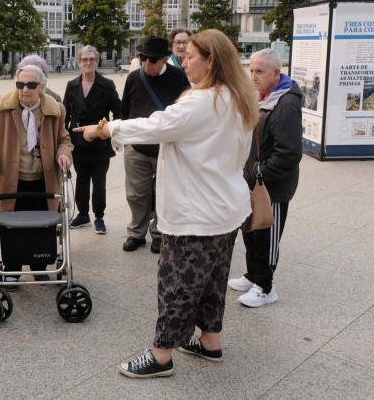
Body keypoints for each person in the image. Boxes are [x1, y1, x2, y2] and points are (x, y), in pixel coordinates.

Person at [75, 29, 259, 379]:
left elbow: (156, 126)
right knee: (212, 282)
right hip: (226, 208)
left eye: (190, 57)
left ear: (211, 61)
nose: (183, 62)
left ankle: (161, 356)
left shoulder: (201, 101)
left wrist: (104, 130)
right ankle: (210, 341)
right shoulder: (237, 95)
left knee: (178, 283)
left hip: (198, 214)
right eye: (183, 56)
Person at [0, 65, 73, 288]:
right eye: (20, 84)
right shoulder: (0, 105)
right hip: (11, 180)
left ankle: (40, 267)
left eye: (30, 85)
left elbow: (64, 140)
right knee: (12, 228)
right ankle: (12, 269)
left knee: (44, 227)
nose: (24, 90)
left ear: (42, 87)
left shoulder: (56, 109)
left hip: (44, 180)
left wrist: (64, 154)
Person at [228, 48, 302, 307]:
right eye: (251, 70)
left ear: (276, 73)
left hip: (272, 186)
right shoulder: (261, 97)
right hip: (254, 181)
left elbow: (289, 153)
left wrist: (260, 173)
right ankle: (252, 276)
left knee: (268, 234)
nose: (253, 76)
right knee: (252, 231)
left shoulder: (286, 102)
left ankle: (266, 287)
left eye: (259, 71)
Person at [119, 36, 190, 253]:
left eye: (152, 59)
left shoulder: (179, 77)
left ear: (165, 60)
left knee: (164, 193)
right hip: (137, 148)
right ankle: (136, 233)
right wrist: (125, 141)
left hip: (166, 148)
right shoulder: (133, 78)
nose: (147, 63)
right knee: (136, 193)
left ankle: (159, 233)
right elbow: (124, 111)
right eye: (143, 58)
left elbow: (186, 111)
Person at [62, 46, 121, 234]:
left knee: (99, 181)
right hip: (78, 141)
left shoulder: (107, 84)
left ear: (97, 62)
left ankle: (99, 216)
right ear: (78, 62)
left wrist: (106, 130)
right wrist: (63, 139)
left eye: (92, 59)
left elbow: (119, 112)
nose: (88, 63)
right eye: (84, 59)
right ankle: (83, 214)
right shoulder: (72, 85)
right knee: (81, 180)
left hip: (99, 140)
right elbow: (65, 114)